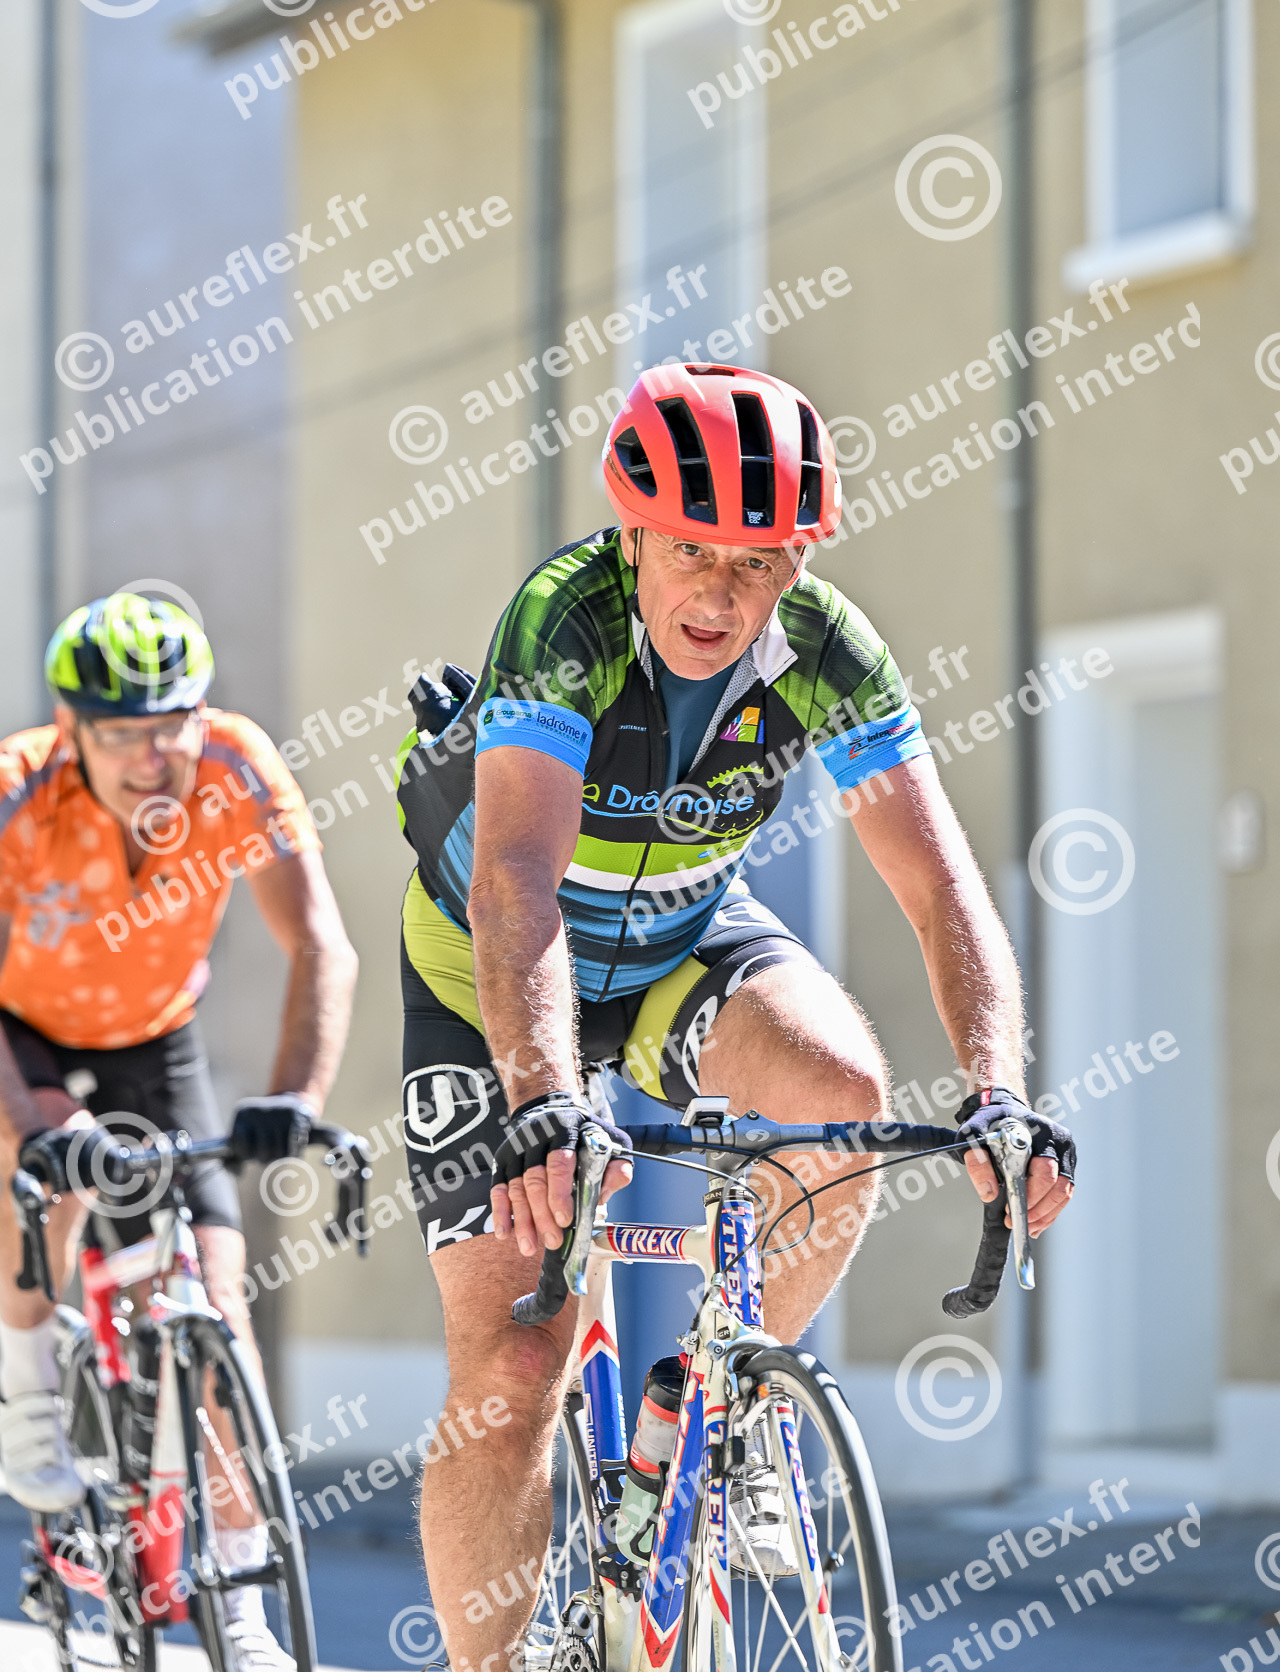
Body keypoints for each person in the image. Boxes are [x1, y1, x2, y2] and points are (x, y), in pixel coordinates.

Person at [395, 363, 1075, 1672]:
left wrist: (997, 1093)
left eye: (756, 563)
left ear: (796, 562)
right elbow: (517, 880)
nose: (717, 594)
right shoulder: (565, 616)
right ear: (633, 536)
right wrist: (542, 1105)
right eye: (690, 552)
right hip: (493, 970)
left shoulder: (825, 649)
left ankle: (728, 1411)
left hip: (674, 947)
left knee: (839, 1092)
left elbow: (938, 886)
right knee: (512, 1367)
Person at [0, 591, 358, 1670]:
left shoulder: (235, 765)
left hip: (156, 1037)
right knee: (54, 1168)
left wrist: (294, 1100)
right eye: (122, 734)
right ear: (73, 728)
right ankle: (26, 1390)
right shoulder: (19, 788)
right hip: (22, 1030)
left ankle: (240, 1608)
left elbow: (320, 946)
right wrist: (31, 1127)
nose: (152, 758)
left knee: (218, 1304)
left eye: (172, 726)